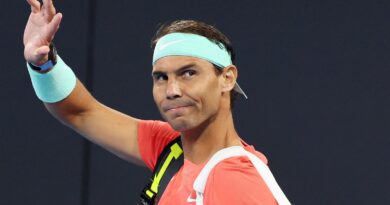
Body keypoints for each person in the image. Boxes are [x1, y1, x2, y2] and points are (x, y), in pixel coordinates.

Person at [23, 0, 291, 204]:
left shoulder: (235, 179)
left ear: (227, 78)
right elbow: (79, 112)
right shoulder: (172, 149)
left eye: (189, 73)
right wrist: (42, 63)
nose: (172, 90)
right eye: (161, 77)